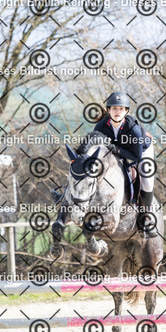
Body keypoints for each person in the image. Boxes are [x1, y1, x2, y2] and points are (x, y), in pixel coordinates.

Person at [51, 91, 158, 238]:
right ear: (108, 110)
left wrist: (116, 149)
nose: (117, 112)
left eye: (121, 109)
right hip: (115, 152)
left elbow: (136, 157)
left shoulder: (134, 130)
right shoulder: (101, 126)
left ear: (126, 111)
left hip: (140, 152)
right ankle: (65, 195)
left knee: (146, 180)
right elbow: (93, 149)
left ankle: (146, 218)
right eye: (114, 108)